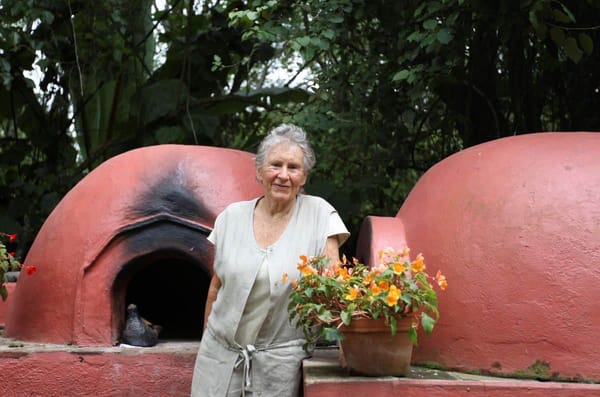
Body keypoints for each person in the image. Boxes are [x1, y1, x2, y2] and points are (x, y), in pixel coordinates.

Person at [191, 124, 349, 397]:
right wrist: (209, 342)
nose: (283, 176)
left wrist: (348, 348)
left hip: (278, 366)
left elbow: (335, 290)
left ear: (304, 177)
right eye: (276, 165)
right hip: (217, 361)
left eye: (293, 167)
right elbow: (216, 288)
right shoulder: (231, 217)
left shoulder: (320, 215)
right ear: (260, 170)